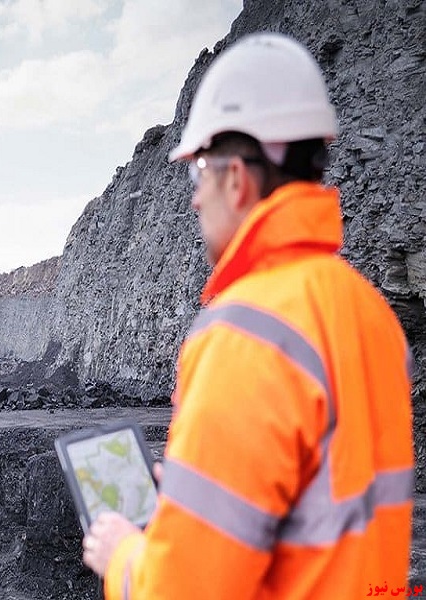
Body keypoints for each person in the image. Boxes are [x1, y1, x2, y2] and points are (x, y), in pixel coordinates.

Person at [81, 32, 414, 598]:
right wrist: (201, 500)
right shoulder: (368, 311)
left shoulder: (246, 333)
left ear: (234, 178)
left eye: (197, 174)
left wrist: (123, 556)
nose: (192, 199)